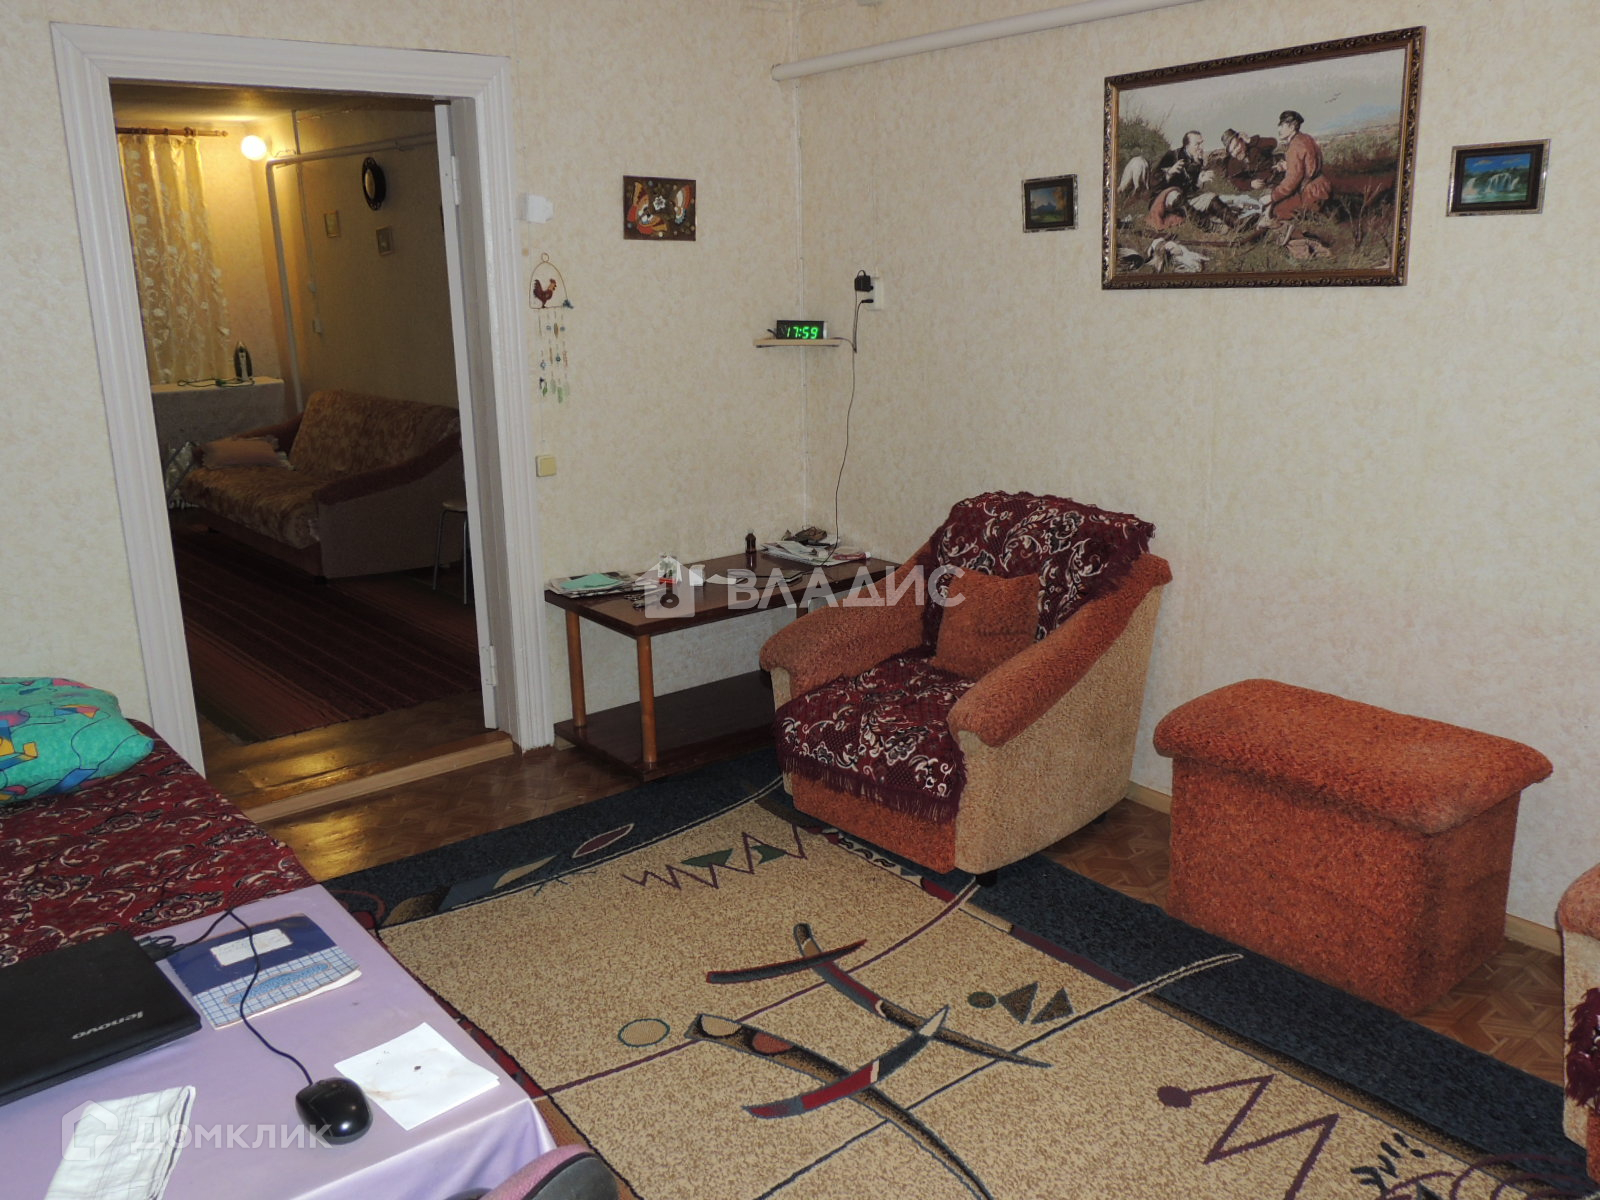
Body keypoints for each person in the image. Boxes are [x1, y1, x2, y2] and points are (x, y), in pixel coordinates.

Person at [1266, 110, 1332, 220]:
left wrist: (1272, 196)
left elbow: (1291, 182)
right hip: (1323, 186)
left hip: (1312, 193)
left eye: (1282, 126)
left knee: (1276, 210)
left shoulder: (1295, 146)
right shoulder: (1306, 138)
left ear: (1292, 127)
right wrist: (1288, 166)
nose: (1279, 129)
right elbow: (1309, 164)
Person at [1147, 130, 1206, 229]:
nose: (1201, 147)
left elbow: (1190, 189)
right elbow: (1153, 182)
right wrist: (1169, 172)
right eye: (1197, 144)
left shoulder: (1198, 161)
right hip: (1162, 199)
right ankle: (1203, 222)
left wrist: (1200, 181)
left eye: (1201, 143)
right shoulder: (1172, 156)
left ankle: (1201, 221)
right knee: (1175, 195)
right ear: (1187, 146)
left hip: (1181, 202)